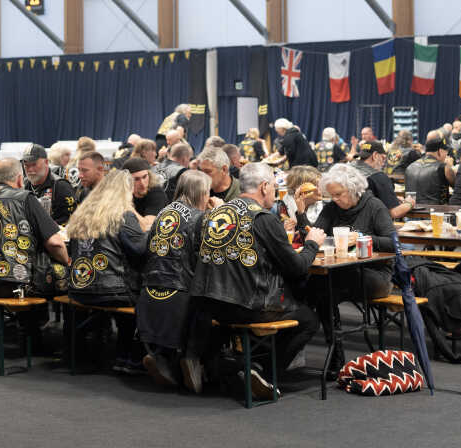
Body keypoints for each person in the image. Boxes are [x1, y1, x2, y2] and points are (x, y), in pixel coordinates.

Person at [188, 163, 325, 398]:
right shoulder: (263, 218)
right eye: (273, 187)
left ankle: (232, 366)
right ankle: (264, 373)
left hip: (208, 303)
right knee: (308, 319)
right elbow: (297, 268)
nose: (274, 192)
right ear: (263, 187)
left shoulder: (213, 214)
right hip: (247, 305)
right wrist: (312, 243)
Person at [0, 157, 70, 337]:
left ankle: (22, 329)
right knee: (64, 273)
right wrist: (67, 260)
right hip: (15, 285)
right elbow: (55, 243)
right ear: (20, 179)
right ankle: (51, 337)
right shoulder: (25, 198)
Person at [309, 164, 397, 374]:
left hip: (376, 275)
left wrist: (362, 238)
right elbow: (316, 234)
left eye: (339, 194)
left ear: (353, 189)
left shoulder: (374, 206)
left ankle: (335, 352)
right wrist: (302, 213)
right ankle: (335, 351)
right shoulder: (332, 209)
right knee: (320, 288)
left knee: (324, 287)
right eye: (332, 195)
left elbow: (393, 244)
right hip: (341, 273)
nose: (335, 199)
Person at [67, 168, 149, 374]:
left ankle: (119, 354)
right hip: (114, 291)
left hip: (79, 288)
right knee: (147, 295)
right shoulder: (123, 216)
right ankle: (131, 357)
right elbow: (140, 250)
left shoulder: (82, 215)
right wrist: (150, 231)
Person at [137, 169, 212, 389]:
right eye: (207, 192)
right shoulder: (201, 218)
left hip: (150, 290)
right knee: (213, 300)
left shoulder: (162, 213)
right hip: (182, 292)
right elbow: (206, 258)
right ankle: (193, 358)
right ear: (200, 193)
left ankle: (162, 358)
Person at [350, 140, 411, 218]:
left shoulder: (346, 169)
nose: (383, 163)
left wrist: (391, 198)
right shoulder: (378, 177)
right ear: (375, 155)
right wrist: (409, 203)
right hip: (368, 223)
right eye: (383, 158)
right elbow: (394, 213)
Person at [22, 144, 78, 225]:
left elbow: (71, 219)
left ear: (46, 162)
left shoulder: (60, 186)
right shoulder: (23, 185)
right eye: (26, 165)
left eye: (34, 164)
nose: (30, 169)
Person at [404, 133, 455, 204]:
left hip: (412, 209)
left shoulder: (410, 167)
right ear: (440, 151)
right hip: (437, 210)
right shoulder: (444, 167)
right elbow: (457, 187)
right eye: (446, 152)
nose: (446, 155)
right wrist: (450, 167)